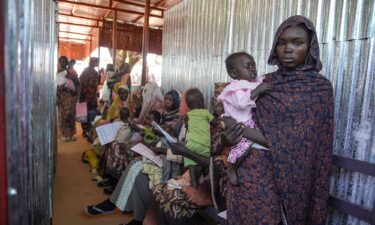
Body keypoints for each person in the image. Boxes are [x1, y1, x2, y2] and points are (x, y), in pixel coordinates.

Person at [222, 15, 334, 224]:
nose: (288, 49)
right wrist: (225, 138)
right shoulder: (263, 82)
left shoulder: (319, 89)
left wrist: (240, 129)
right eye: (282, 42)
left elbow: (309, 143)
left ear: (310, 47)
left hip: (291, 179)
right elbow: (231, 117)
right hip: (250, 177)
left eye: (297, 42)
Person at [217, 52, 272, 185]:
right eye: (248, 66)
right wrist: (257, 91)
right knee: (244, 147)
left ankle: (233, 165)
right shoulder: (235, 88)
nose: (253, 69)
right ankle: (232, 166)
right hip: (237, 123)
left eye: (254, 65)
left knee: (248, 147)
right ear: (234, 73)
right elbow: (241, 103)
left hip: (246, 122)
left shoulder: (250, 83)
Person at [183, 88, 213, 188]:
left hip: (190, 144)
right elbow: (214, 122)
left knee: (192, 163)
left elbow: (188, 129)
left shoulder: (188, 115)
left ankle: (194, 181)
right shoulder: (205, 112)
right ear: (201, 102)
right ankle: (197, 180)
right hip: (203, 144)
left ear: (188, 105)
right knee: (200, 162)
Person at [56, 56, 79, 142]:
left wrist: (75, 92)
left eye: (64, 61)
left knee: (71, 115)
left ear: (67, 62)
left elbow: (77, 82)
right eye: (61, 61)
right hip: (63, 98)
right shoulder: (58, 72)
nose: (63, 63)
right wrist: (69, 90)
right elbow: (59, 87)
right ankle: (64, 134)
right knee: (64, 115)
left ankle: (72, 133)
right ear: (59, 62)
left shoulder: (71, 71)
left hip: (72, 98)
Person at [79, 57, 100, 136]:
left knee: (84, 114)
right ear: (94, 63)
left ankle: (84, 131)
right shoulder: (95, 73)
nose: (97, 63)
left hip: (83, 97)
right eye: (97, 62)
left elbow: (79, 82)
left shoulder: (85, 71)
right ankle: (89, 131)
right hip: (91, 98)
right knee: (92, 114)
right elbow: (95, 86)